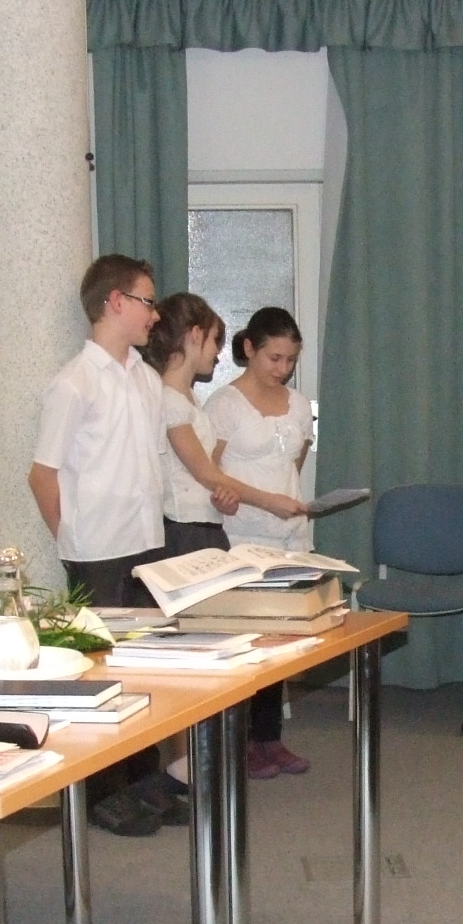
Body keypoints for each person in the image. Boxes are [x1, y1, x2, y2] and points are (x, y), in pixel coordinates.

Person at [30, 253, 180, 836]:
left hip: (145, 541)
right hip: (96, 551)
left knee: (141, 671)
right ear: (116, 302)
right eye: (147, 301)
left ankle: (145, 782)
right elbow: (42, 473)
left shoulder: (145, 378)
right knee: (99, 677)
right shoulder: (74, 382)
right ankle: (104, 794)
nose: (154, 314)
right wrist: (71, 539)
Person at [146, 293, 305, 779]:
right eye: (214, 342)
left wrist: (269, 499)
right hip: (204, 533)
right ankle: (204, 757)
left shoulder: (188, 400)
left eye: (291, 360)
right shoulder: (190, 402)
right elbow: (206, 471)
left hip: (230, 529)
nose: (217, 355)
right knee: (217, 646)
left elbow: (286, 464)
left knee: (269, 639)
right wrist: (264, 500)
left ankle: (256, 741)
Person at [203, 306, 314, 553]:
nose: (283, 369)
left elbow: (291, 471)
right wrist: (222, 499)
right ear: (249, 348)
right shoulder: (224, 404)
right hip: (239, 538)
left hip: (291, 538)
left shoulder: (300, 405)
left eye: (291, 360)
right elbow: (207, 474)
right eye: (275, 358)